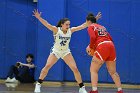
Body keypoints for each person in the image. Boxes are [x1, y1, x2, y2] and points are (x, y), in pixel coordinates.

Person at [32, 9, 101, 93]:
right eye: (66, 24)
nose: (68, 26)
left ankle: (81, 87)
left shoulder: (70, 30)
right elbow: (47, 24)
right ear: (62, 24)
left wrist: (93, 21)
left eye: (69, 24)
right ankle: (38, 84)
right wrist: (39, 18)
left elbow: (83, 25)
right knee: (47, 66)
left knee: (75, 69)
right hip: (56, 51)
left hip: (65, 52)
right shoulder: (56, 30)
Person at [86, 13, 123, 93]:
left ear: (88, 21)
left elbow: (93, 37)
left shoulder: (90, 27)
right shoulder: (102, 27)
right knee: (113, 71)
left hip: (102, 46)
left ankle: (94, 90)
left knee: (93, 70)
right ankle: (120, 90)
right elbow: (111, 38)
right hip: (111, 45)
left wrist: (91, 47)